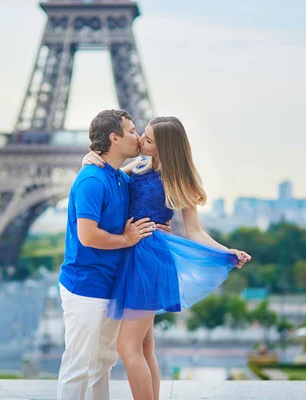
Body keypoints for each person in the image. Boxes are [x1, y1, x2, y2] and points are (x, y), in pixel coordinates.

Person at [83, 116, 251, 400]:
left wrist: (225, 252)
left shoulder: (177, 179)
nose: (140, 141)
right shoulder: (136, 167)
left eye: (148, 140)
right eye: (142, 135)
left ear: (165, 147)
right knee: (144, 347)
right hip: (133, 254)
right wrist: (90, 156)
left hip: (150, 260)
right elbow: (108, 178)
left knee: (127, 346)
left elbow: (195, 231)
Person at [57, 109, 170, 400]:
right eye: (132, 130)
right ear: (114, 137)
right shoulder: (92, 179)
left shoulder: (121, 177)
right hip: (86, 285)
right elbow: (87, 235)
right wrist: (127, 238)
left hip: (112, 284)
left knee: (102, 364)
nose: (138, 136)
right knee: (79, 365)